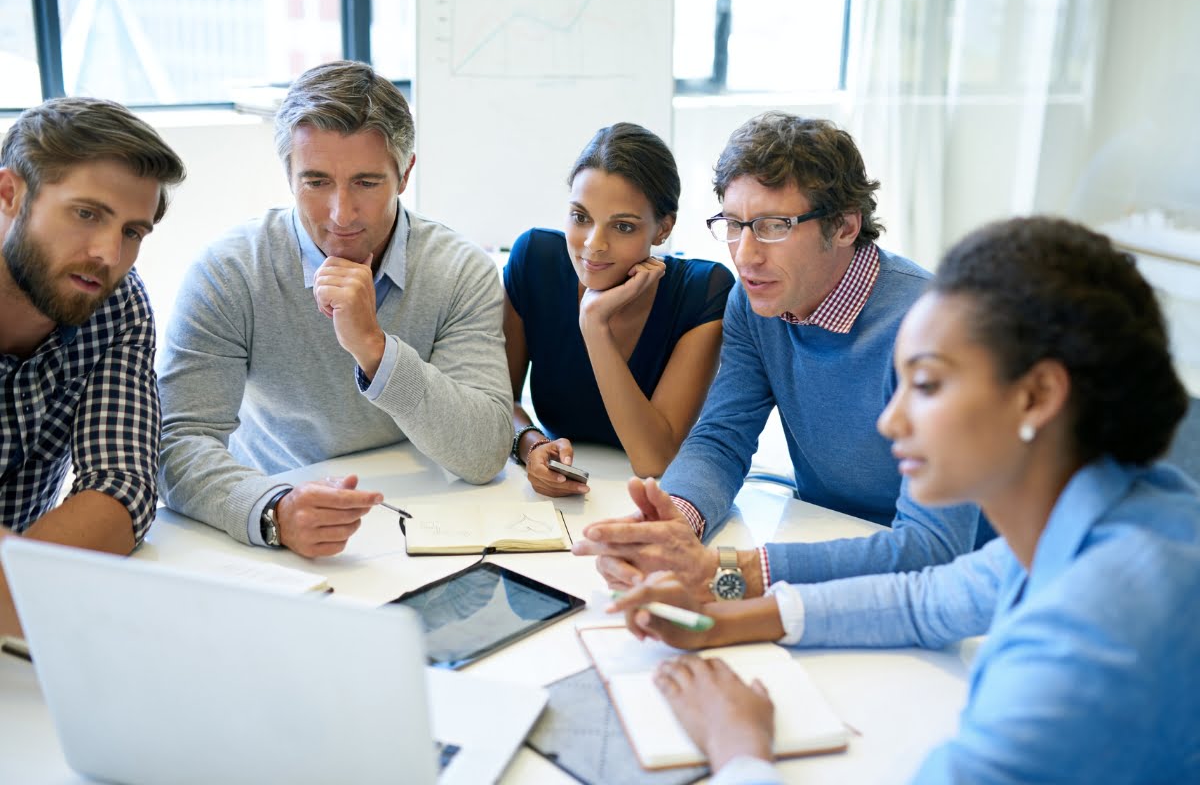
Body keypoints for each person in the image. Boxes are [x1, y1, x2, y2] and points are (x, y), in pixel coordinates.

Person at [613, 216, 1200, 784]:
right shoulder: (1112, 518)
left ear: (1038, 395)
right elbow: (925, 601)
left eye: (926, 384)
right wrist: (716, 620)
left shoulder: (1089, 637)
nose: (891, 421)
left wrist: (738, 751)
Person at [574, 112, 983, 602]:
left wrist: (733, 570)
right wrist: (674, 522)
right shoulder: (755, 302)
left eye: (772, 226)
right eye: (733, 224)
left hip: (954, 590)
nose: (745, 255)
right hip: (825, 547)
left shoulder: (932, 330)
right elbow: (722, 439)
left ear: (846, 226)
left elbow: (934, 546)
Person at [157, 61, 512, 557]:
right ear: (288, 173)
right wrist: (272, 510)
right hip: (272, 518)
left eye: (366, 183)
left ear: (405, 173)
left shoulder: (459, 269)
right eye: (316, 182)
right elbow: (175, 442)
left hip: (421, 521)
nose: (341, 214)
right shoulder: (230, 270)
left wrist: (374, 348)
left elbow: (483, 451)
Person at [0, 97, 186, 636]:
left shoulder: (118, 304)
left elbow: (122, 487)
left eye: (132, 232)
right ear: (10, 194)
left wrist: (26, 599)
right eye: (87, 214)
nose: (108, 254)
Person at [504, 123, 734, 496]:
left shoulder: (702, 291)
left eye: (623, 227)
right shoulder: (535, 260)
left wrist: (594, 323)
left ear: (663, 230)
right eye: (580, 217)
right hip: (558, 502)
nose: (594, 245)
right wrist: (532, 445)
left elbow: (652, 459)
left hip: (648, 499)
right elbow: (499, 400)